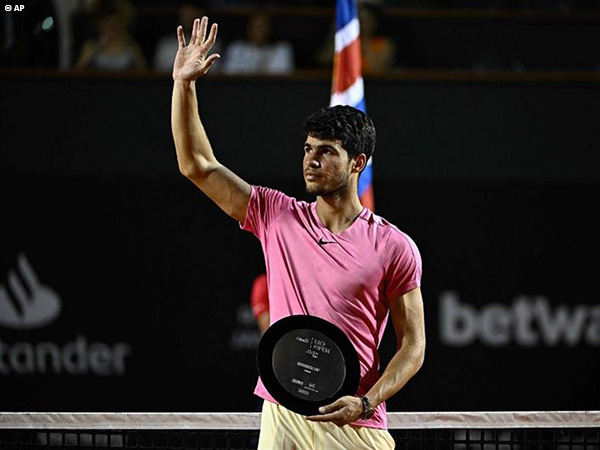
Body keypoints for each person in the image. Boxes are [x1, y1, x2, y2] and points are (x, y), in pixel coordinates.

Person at [171, 17, 425, 450]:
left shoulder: (393, 246)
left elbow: (414, 347)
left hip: (353, 425)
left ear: (357, 163)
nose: (311, 160)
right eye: (308, 149)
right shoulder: (276, 214)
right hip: (282, 415)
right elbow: (198, 165)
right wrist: (183, 86)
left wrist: (366, 402)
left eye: (326, 152)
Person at [74, 0, 147, 72]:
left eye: (112, 25)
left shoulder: (132, 47)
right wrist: (97, 47)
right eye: (104, 24)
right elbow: (77, 72)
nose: (108, 27)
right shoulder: (90, 46)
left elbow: (144, 75)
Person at [221, 12, 294, 75]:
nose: (260, 31)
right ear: (249, 28)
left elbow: (282, 73)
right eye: (256, 27)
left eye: (263, 27)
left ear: (269, 29)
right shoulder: (237, 49)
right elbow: (230, 73)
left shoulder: (281, 49)